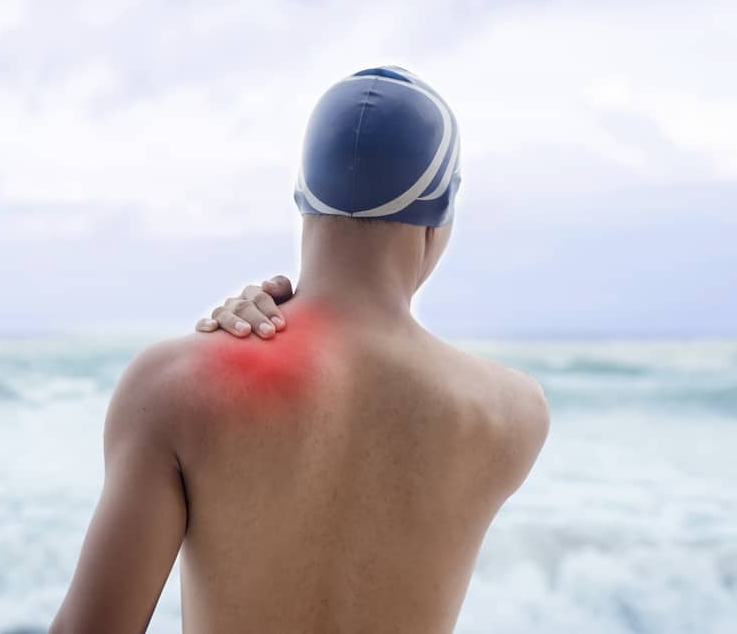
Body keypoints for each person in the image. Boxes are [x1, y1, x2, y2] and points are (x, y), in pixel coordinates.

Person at [49, 66, 549, 634]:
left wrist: (210, 358)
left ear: (300, 194)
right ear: (443, 209)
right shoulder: (511, 413)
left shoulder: (174, 384)